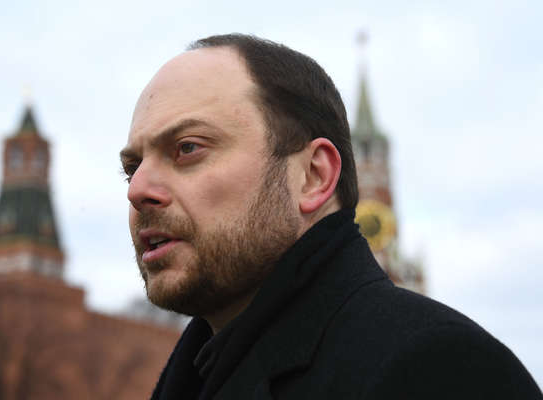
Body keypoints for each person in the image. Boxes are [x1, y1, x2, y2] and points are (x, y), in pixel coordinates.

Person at [120, 34, 542, 400]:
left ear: (313, 176)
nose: (137, 190)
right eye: (132, 167)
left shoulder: (440, 371)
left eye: (188, 147)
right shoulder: (193, 377)